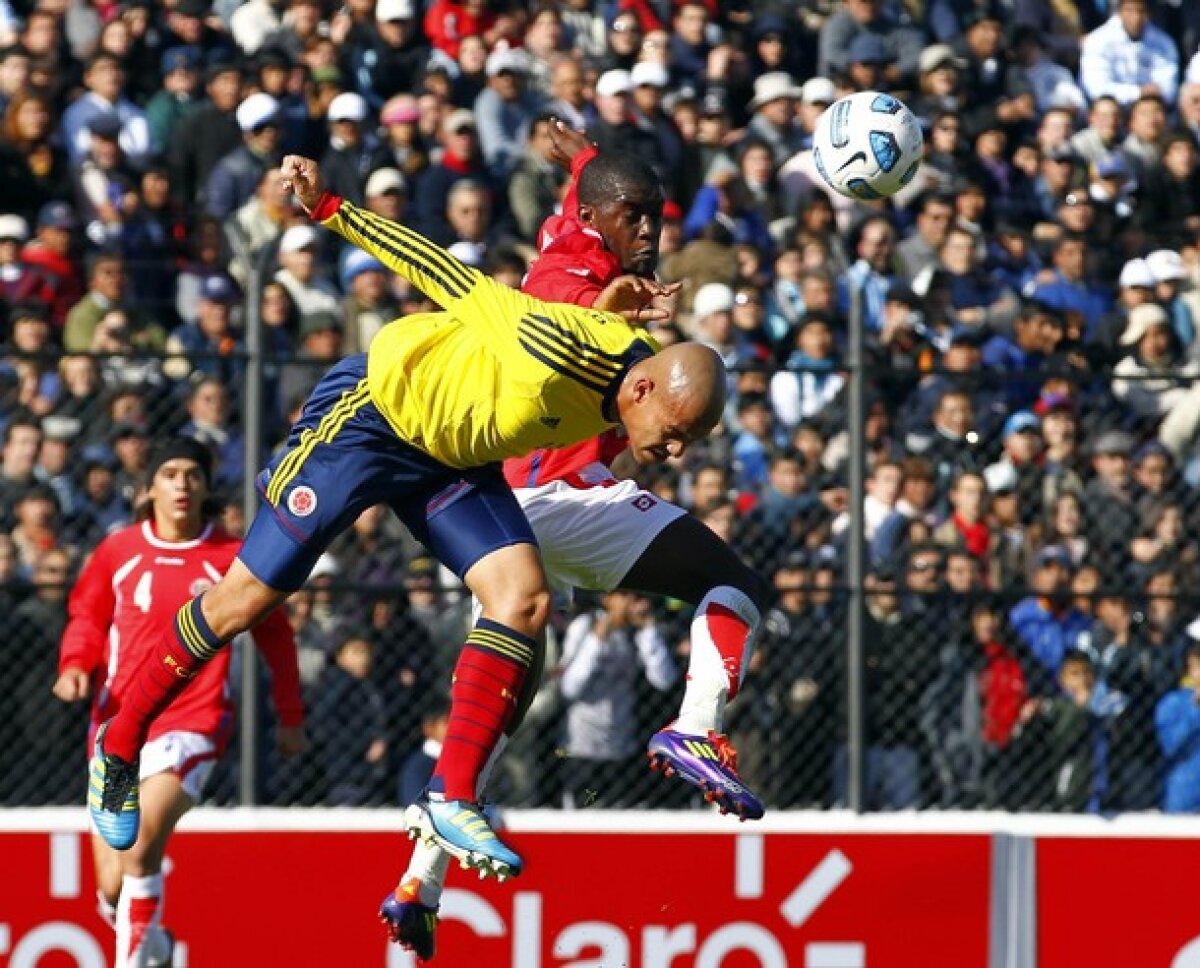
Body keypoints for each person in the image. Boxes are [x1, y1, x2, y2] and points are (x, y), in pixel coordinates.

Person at [86, 154, 726, 889]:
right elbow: (439, 272)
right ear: (642, 388)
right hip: (374, 421)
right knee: (240, 604)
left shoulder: (637, 361)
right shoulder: (550, 340)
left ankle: (452, 794)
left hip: (454, 461)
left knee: (523, 597)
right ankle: (121, 741)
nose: (672, 451)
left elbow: (609, 349)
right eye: (672, 430)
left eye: (688, 442)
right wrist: (328, 204)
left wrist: (605, 298)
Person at [382, 124, 767, 960]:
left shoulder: (579, 230)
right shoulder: (574, 279)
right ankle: (697, 725)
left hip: (496, 514)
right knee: (730, 585)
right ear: (603, 222)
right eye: (636, 221)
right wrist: (606, 311)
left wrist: (584, 154)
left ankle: (423, 878)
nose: (650, 235)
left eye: (654, 220)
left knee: (506, 709)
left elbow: (601, 190)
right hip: (549, 498)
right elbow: (557, 325)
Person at [52, 438, 306, 968]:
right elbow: (87, 616)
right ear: (149, 486)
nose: (182, 484)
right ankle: (158, 946)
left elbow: (276, 637)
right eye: (169, 473)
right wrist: (75, 665)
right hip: (116, 722)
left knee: (141, 839)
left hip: (194, 721)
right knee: (113, 884)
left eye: (193, 474)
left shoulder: (234, 559)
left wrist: (290, 713)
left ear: (208, 485)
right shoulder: (118, 551)